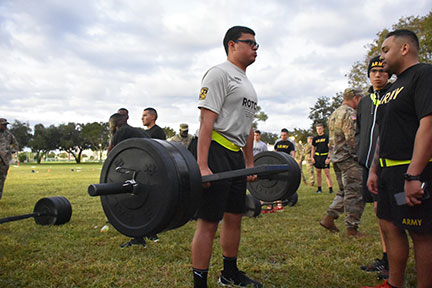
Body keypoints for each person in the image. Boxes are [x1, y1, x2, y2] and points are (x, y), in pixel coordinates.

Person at [192, 25, 262, 288]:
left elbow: (247, 126)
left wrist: (249, 163)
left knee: (234, 216)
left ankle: (229, 273)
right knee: (209, 221)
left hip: (235, 155)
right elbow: (206, 121)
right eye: (250, 43)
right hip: (215, 152)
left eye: (257, 44)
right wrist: (202, 165)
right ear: (232, 45)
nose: (255, 48)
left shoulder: (247, 83)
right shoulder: (219, 74)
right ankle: (200, 282)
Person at [363, 29, 432, 288]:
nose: (381, 56)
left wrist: (414, 175)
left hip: (412, 173)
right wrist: (373, 169)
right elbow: (384, 132)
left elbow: (428, 125)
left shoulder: (424, 74)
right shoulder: (392, 88)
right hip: (387, 174)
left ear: (405, 49)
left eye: (385, 49)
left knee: (421, 232)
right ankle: (393, 283)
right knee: (390, 225)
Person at [357, 56, 392, 280]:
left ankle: (393, 261)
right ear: (369, 74)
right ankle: (386, 257)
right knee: (378, 211)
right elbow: (360, 128)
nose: (377, 75)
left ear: (389, 74)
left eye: (382, 71)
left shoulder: (394, 95)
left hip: (389, 164)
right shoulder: (365, 101)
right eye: (373, 71)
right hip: (366, 163)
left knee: (390, 213)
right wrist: (361, 152)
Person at [319, 88, 364, 237]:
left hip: (336, 158)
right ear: (356, 99)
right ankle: (352, 229)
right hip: (349, 159)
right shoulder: (350, 113)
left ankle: (329, 218)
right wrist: (359, 156)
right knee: (355, 193)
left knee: (343, 191)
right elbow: (352, 138)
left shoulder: (335, 113)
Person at [311, 123, 333, 194]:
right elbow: (313, 148)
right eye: (317, 129)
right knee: (318, 173)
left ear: (323, 129)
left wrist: (328, 158)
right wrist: (312, 157)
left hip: (325, 156)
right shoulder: (315, 139)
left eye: (320, 128)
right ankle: (319, 189)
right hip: (317, 157)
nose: (318, 130)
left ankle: (330, 189)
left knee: (327, 173)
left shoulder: (326, 137)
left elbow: (330, 148)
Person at [0, 118, 19, 200]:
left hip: (4, 161)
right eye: (3, 124)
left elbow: (15, 143)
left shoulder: (8, 134)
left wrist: (11, 152)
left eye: (6, 124)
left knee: (1, 180)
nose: (5, 126)